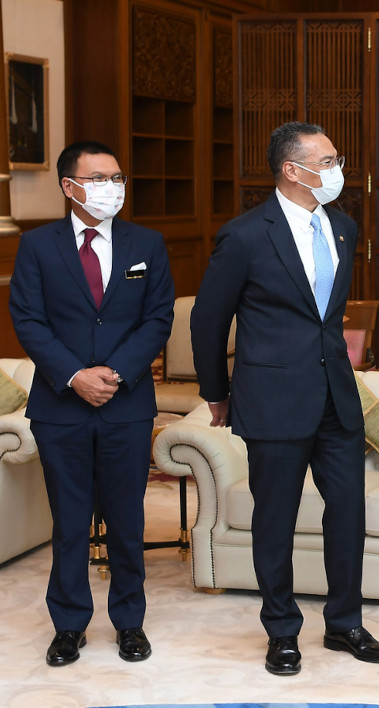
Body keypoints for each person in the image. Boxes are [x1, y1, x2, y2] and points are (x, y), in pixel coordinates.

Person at [190, 121, 379, 676]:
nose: (338, 170)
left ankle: (345, 623)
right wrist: (216, 393)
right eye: (327, 161)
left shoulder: (345, 227)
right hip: (273, 399)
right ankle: (281, 631)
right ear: (292, 169)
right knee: (274, 520)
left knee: (348, 512)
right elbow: (209, 319)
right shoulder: (246, 234)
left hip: (337, 398)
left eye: (336, 159)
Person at [9, 140, 175, 666]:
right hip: (61, 408)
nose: (112, 187)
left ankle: (129, 623)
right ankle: (68, 625)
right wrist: (75, 375)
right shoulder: (37, 247)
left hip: (126, 406)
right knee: (69, 522)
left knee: (128, 519)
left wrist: (118, 373)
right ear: (69, 186)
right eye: (99, 178)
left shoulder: (146, 243)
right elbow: (29, 321)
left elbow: (158, 318)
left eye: (117, 177)